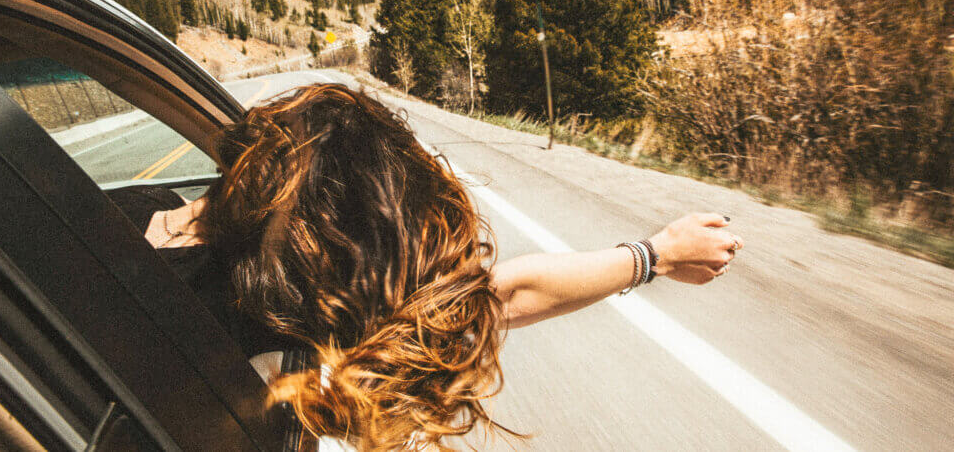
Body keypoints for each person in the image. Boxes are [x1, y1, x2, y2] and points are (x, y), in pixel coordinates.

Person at [114, 83, 742, 450]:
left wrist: (655, 256)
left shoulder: (109, 219)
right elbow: (503, 293)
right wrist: (654, 256)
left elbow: (498, 293)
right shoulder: (295, 314)